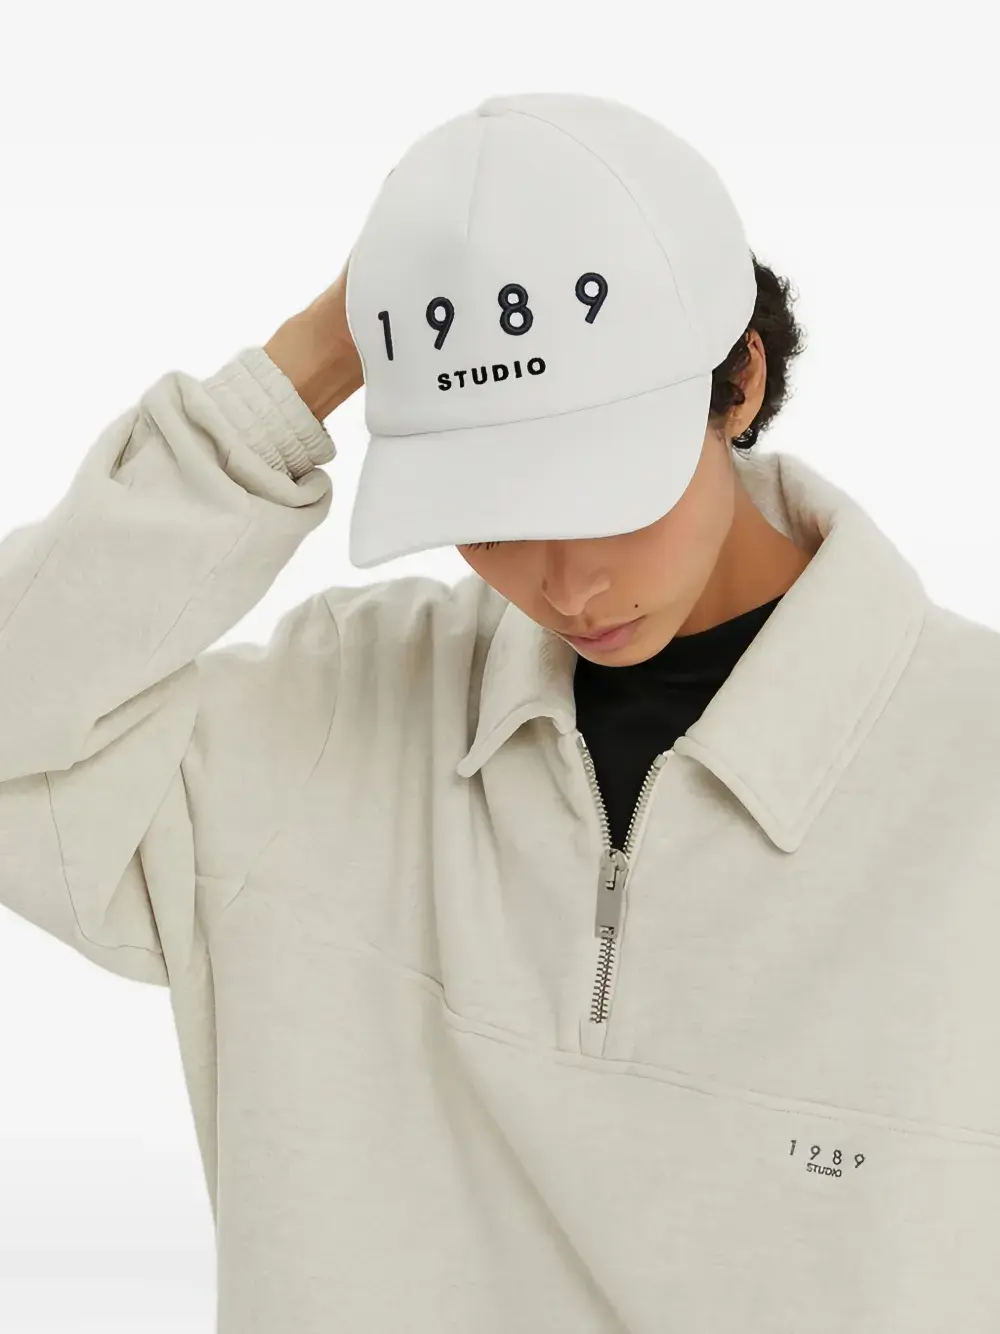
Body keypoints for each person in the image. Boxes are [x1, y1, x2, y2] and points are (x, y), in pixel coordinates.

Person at [2, 91, 1000, 1334]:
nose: (564, 583)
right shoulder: (334, 720)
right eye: (484, 514)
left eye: (606, 495)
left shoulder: (973, 771)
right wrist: (312, 361)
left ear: (738, 379)